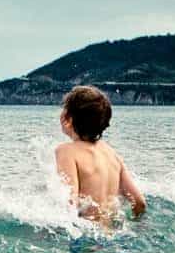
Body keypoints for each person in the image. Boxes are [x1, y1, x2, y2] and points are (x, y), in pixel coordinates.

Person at [55, 86, 146, 226]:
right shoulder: (111, 153)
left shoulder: (66, 151)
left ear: (67, 118)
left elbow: (70, 203)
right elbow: (139, 202)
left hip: (86, 239)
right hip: (113, 235)